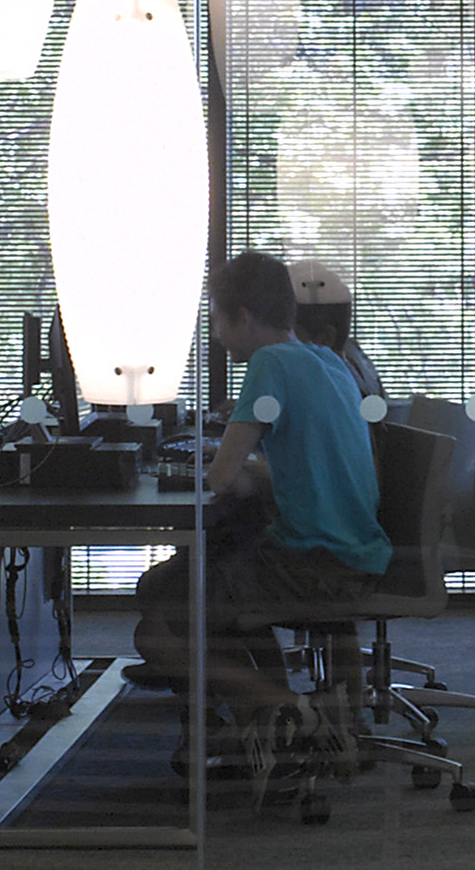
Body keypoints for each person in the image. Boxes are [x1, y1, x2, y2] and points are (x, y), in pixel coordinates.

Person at [128, 249, 395, 799]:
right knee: (188, 585)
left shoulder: (269, 366)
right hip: (348, 551)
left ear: (245, 316)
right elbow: (288, 468)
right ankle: (274, 731)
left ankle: (290, 715)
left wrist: (219, 464)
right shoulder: (326, 360)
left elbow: (222, 479)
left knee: (155, 625)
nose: (220, 336)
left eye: (220, 322)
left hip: (314, 561)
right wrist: (244, 468)